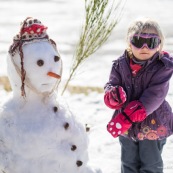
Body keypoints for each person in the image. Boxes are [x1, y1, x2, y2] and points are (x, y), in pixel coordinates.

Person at [104, 17, 173, 173]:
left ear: (159, 45)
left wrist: (130, 115)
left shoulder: (163, 67)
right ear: (129, 42)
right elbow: (112, 84)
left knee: (150, 164)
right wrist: (113, 95)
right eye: (138, 40)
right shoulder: (119, 65)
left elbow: (155, 94)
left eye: (151, 43)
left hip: (153, 123)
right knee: (128, 163)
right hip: (126, 125)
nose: (144, 47)